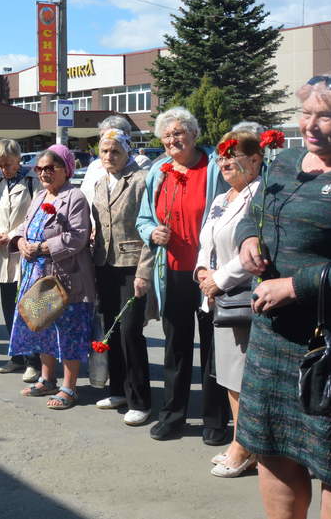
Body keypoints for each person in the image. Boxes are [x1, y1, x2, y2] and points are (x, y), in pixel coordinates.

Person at [236, 74, 331, 518]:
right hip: (273, 342)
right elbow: (252, 215)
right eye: (306, 114)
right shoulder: (285, 161)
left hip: (327, 347)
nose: (312, 125)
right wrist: (246, 242)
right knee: (274, 453)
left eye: (326, 116)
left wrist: (297, 286)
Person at [136, 106, 230, 443]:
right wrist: (151, 233)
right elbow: (143, 218)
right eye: (167, 135)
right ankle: (173, 416)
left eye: (180, 132)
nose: (174, 139)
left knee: (212, 346)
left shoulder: (214, 167)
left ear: (194, 135)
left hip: (208, 273)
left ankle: (215, 420)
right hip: (171, 272)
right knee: (175, 346)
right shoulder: (157, 172)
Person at [193, 129, 263, 478]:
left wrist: (218, 280)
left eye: (231, 154)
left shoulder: (260, 196)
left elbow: (257, 249)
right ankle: (242, 441)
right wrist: (203, 271)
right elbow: (206, 240)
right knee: (229, 375)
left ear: (255, 160)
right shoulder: (222, 198)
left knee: (244, 375)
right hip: (218, 297)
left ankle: (246, 446)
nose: (224, 161)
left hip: (243, 297)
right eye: (221, 155)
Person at [11, 145, 97, 410]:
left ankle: (69, 387)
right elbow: (26, 226)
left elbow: (77, 237)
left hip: (65, 276)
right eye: (40, 169)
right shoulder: (38, 196)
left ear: (66, 169)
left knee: (69, 331)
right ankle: (47, 379)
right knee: (44, 325)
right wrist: (20, 241)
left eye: (51, 168)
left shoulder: (75, 197)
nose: (44, 173)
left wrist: (41, 248)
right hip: (37, 275)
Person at [90, 128, 154, 425]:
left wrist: (144, 271)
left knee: (130, 331)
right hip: (104, 264)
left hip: (131, 264)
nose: (108, 156)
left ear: (127, 151)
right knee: (111, 330)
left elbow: (148, 227)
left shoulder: (140, 180)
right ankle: (118, 389)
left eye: (115, 151)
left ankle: (141, 399)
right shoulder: (101, 182)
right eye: (104, 151)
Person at [0, 139, 41, 379]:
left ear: (18, 159)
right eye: (0, 165)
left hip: (23, 252)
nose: (4, 169)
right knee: (8, 307)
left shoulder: (32, 181)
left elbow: (35, 216)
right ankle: (16, 356)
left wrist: (11, 236)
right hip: (1, 254)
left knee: (28, 308)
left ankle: (34, 361)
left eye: (8, 164)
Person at [80, 116, 149, 205]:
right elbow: (83, 196)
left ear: (125, 137)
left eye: (112, 134)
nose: (106, 139)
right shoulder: (94, 166)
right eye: (102, 136)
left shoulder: (140, 163)